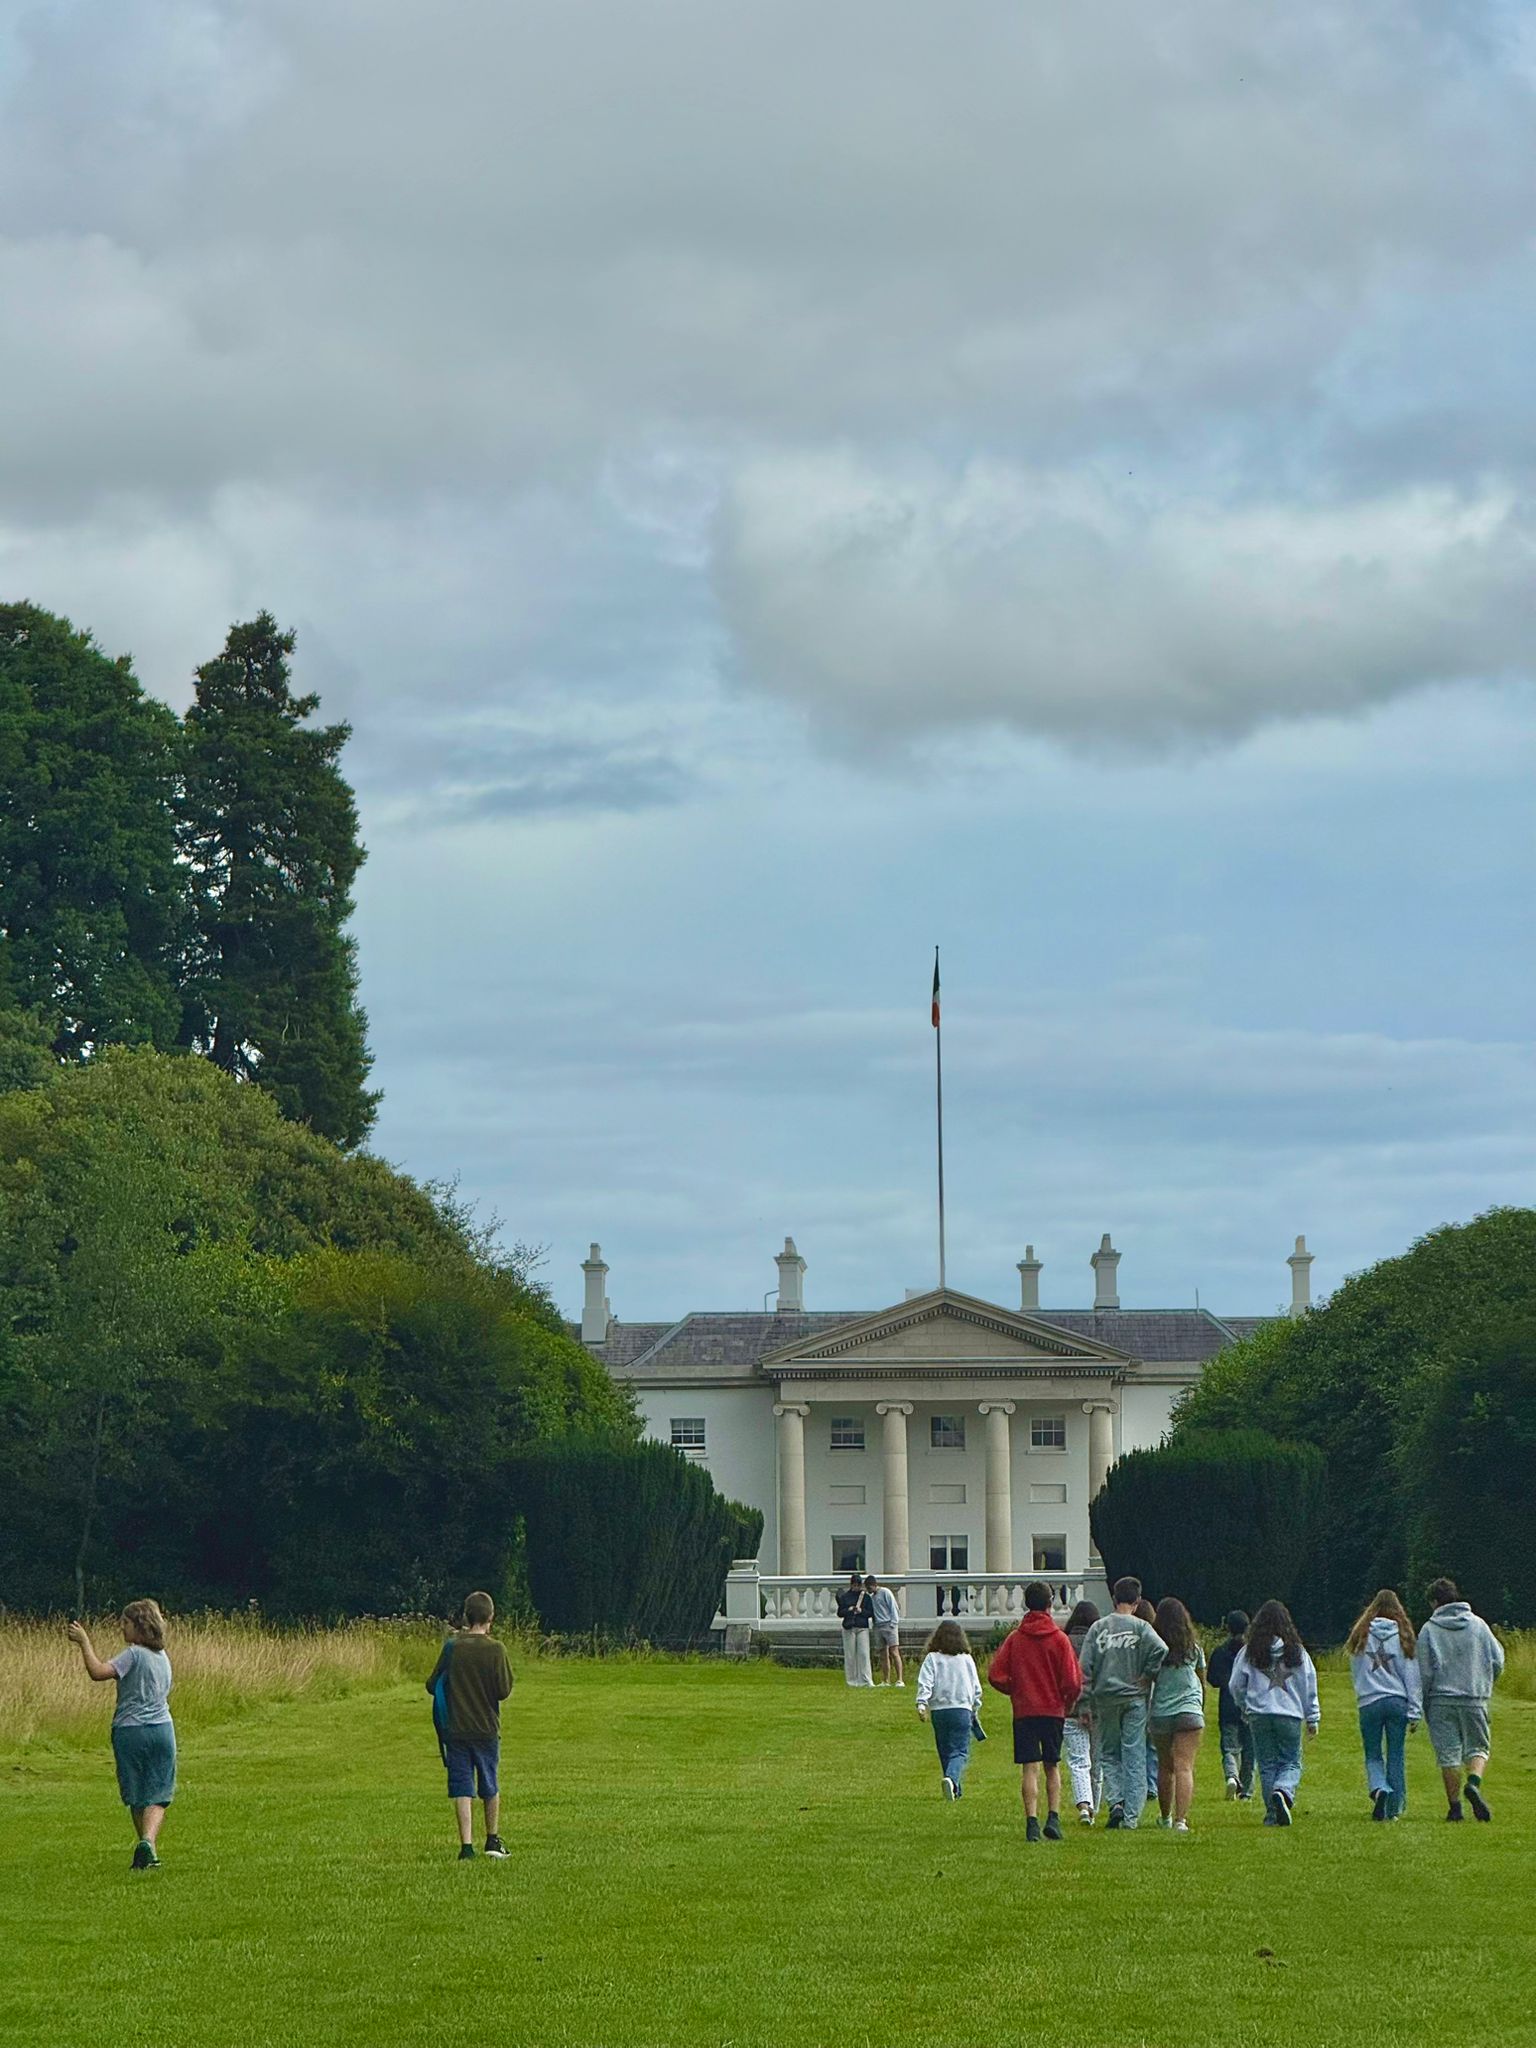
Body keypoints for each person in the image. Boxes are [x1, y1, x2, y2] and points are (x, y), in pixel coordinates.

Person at [67, 1599, 176, 1871]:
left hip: (130, 1730)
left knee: (137, 1793)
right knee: (159, 1792)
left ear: (139, 1626)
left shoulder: (133, 1654)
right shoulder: (163, 1657)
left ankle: (146, 1844)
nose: (122, 1627)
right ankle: (148, 1847)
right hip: (163, 1729)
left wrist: (84, 1642)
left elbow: (98, 1672)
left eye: (126, 1623)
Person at [988, 1582, 1084, 1841]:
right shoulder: (1059, 1639)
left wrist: (1016, 1689)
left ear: (1026, 1604)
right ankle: (1053, 1817)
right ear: (1049, 1604)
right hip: (1053, 1710)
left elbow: (995, 1675)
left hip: (1025, 1710)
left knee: (1029, 1767)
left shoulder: (1015, 1639)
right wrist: (1068, 1702)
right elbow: (1073, 1681)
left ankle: (1031, 1821)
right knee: (1052, 1765)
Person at [425, 1590, 515, 1860]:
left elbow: (432, 1684)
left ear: (466, 1616)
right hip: (486, 1728)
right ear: (491, 1617)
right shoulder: (496, 1649)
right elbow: (503, 1690)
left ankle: (466, 1847)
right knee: (489, 1783)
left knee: (462, 1785)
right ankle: (492, 1839)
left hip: (456, 1730)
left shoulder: (453, 1647)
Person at [1077, 1577, 1166, 1830]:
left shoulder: (1098, 1628)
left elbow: (1085, 1669)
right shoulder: (1141, 1628)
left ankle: (1116, 1801)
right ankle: (1131, 1817)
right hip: (1135, 1698)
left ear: (1114, 1599)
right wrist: (1148, 1674)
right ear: (1137, 1602)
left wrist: (1084, 1703)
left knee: (1109, 1753)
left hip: (1105, 1698)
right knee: (1134, 1754)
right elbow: (1161, 1650)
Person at [1415, 1576, 1504, 1823]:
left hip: (1441, 1699)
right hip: (1475, 1696)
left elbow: (1425, 1672)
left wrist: (1423, 1701)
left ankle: (1454, 1807)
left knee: (1448, 1754)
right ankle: (1473, 1783)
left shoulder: (1429, 1629)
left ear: (1434, 1602)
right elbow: (1498, 1660)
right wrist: (1485, 1682)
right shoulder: (1479, 1625)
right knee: (1478, 1748)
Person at [1228, 1599, 1319, 1826]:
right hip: (1289, 1713)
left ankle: (1272, 1813)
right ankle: (1284, 1791)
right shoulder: (1297, 1652)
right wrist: (1312, 1716)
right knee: (1291, 1761)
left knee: (1267, 1764)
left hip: (1259, 1713)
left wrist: (1244, 1705)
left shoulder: (1250, 1652)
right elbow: (1309, 1684)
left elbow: (1235, 1684)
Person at [1347, 1589, 1422, 1821]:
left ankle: (1379, 1787)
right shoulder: (1402, 1635)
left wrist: (1363, 1690)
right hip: (1397, 1700)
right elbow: (1412, 1675)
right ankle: (1394, 1809)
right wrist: (1415, 1710)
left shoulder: (1361, 1635)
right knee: (1396, 1754)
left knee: (1373, 1754)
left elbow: (1356, 1669)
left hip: (1369, 1701)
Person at [1149, 1597, 1205, 1833]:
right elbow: (1202, 1680)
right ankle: (1181, 1820)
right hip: (1190, 1710)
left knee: (1165, 1766)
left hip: (1162, 1712)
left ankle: (1165, 1816)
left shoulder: (1155, 1649)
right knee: (1185, 1766)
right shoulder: (1193, 1649)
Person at [914, 1619, 984, 1799]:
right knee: (960, 1751)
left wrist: (922, 1703)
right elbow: (976, 1687)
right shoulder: (966, 1659)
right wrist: (975, 1706)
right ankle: (951, 1779)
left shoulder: (933, 1658)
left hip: (939, 1710)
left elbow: (926, 1682)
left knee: (945, 1750)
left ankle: (954, 1790)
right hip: (961, 1709)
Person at [1206, 1609, 1255, 1800]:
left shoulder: (1220, 1652)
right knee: (1250, 1751)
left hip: (1227, 1706)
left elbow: (1213, 1679)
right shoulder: (1252, 1652)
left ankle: (1232, 1776)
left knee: (1229, 1747)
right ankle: (1246, 1791)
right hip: (1250, 1705)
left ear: (1227, 1627)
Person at [1061, 1599, 1102, 1825]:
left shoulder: (1065, 1642)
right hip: (1098, 1709)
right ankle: (1094, 1804)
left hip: (1070, 1709)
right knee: (1097, 1763)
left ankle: (1084, 1806)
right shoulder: (1099, 1642)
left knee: (1078, 1761)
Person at [1134, 1597, 1160, 1797]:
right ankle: (1151, 1784)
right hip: (1155, 1695)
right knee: (1152, 1746)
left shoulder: (1134, 1639)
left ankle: (1140, 1783)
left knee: (1136, 1743)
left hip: (1136, 1694)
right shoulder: (1155, 1638)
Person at [836, 1573, 874, 1687]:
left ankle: (866, 1679)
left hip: (862, 1626)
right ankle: (851, 1680)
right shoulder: (845, 1597)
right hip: (849, 1627)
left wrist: (861, 1611)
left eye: (858, 1585)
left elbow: (870, 1613)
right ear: (851, 1584)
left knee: (863, 1654)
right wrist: (849, 1609)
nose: (856, 1587)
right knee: (850, 1655)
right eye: (854, 1585)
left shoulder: (865, 1597)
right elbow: (840, 1613)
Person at [866, 1575, 904, 1687]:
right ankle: (886, 1680)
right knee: (883, 1653)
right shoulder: (872, 1597)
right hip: (878, 1626)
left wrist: (893, 1623)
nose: (869, 1590)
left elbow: (893, 1607)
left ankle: (900, 1679)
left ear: (874, 1585)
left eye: (869, 1588)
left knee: (894, 1652)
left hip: (889, 1624)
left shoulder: (885, 1592)